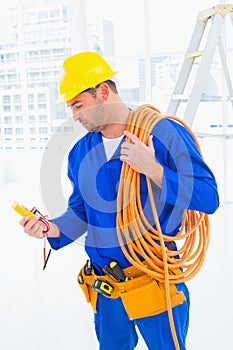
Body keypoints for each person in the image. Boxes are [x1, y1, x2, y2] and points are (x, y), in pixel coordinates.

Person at [20, 51, 219, 350]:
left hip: (154, 280)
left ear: (103, 92)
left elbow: (208, 196)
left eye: (78, 104)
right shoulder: (80, 152)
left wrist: (153, 168)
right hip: (107, 287)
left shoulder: (163, 133)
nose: (74, 115)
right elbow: (81, 212)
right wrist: (51, 228)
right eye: (70, 107)